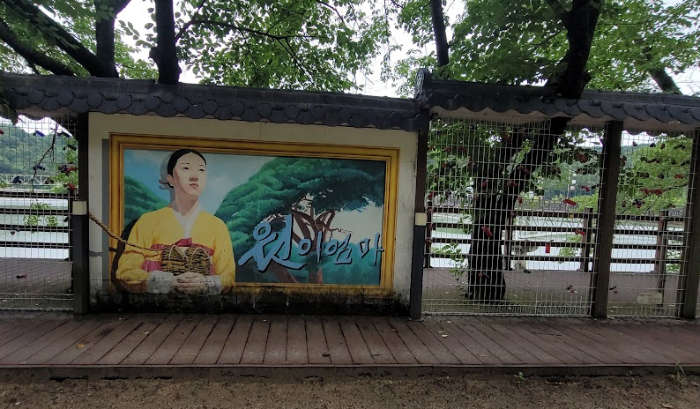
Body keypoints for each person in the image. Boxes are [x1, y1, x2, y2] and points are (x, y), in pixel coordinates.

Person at [115, 149, 236, 294]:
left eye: (201, 170)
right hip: (153, 306)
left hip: (204, 307)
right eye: (185, 168)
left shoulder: (217, 226)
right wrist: (168, 282)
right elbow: (126, 272)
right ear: (170, 179)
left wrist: (205, 284)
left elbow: (228, 277)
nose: (194, 176)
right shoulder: (148, 221)